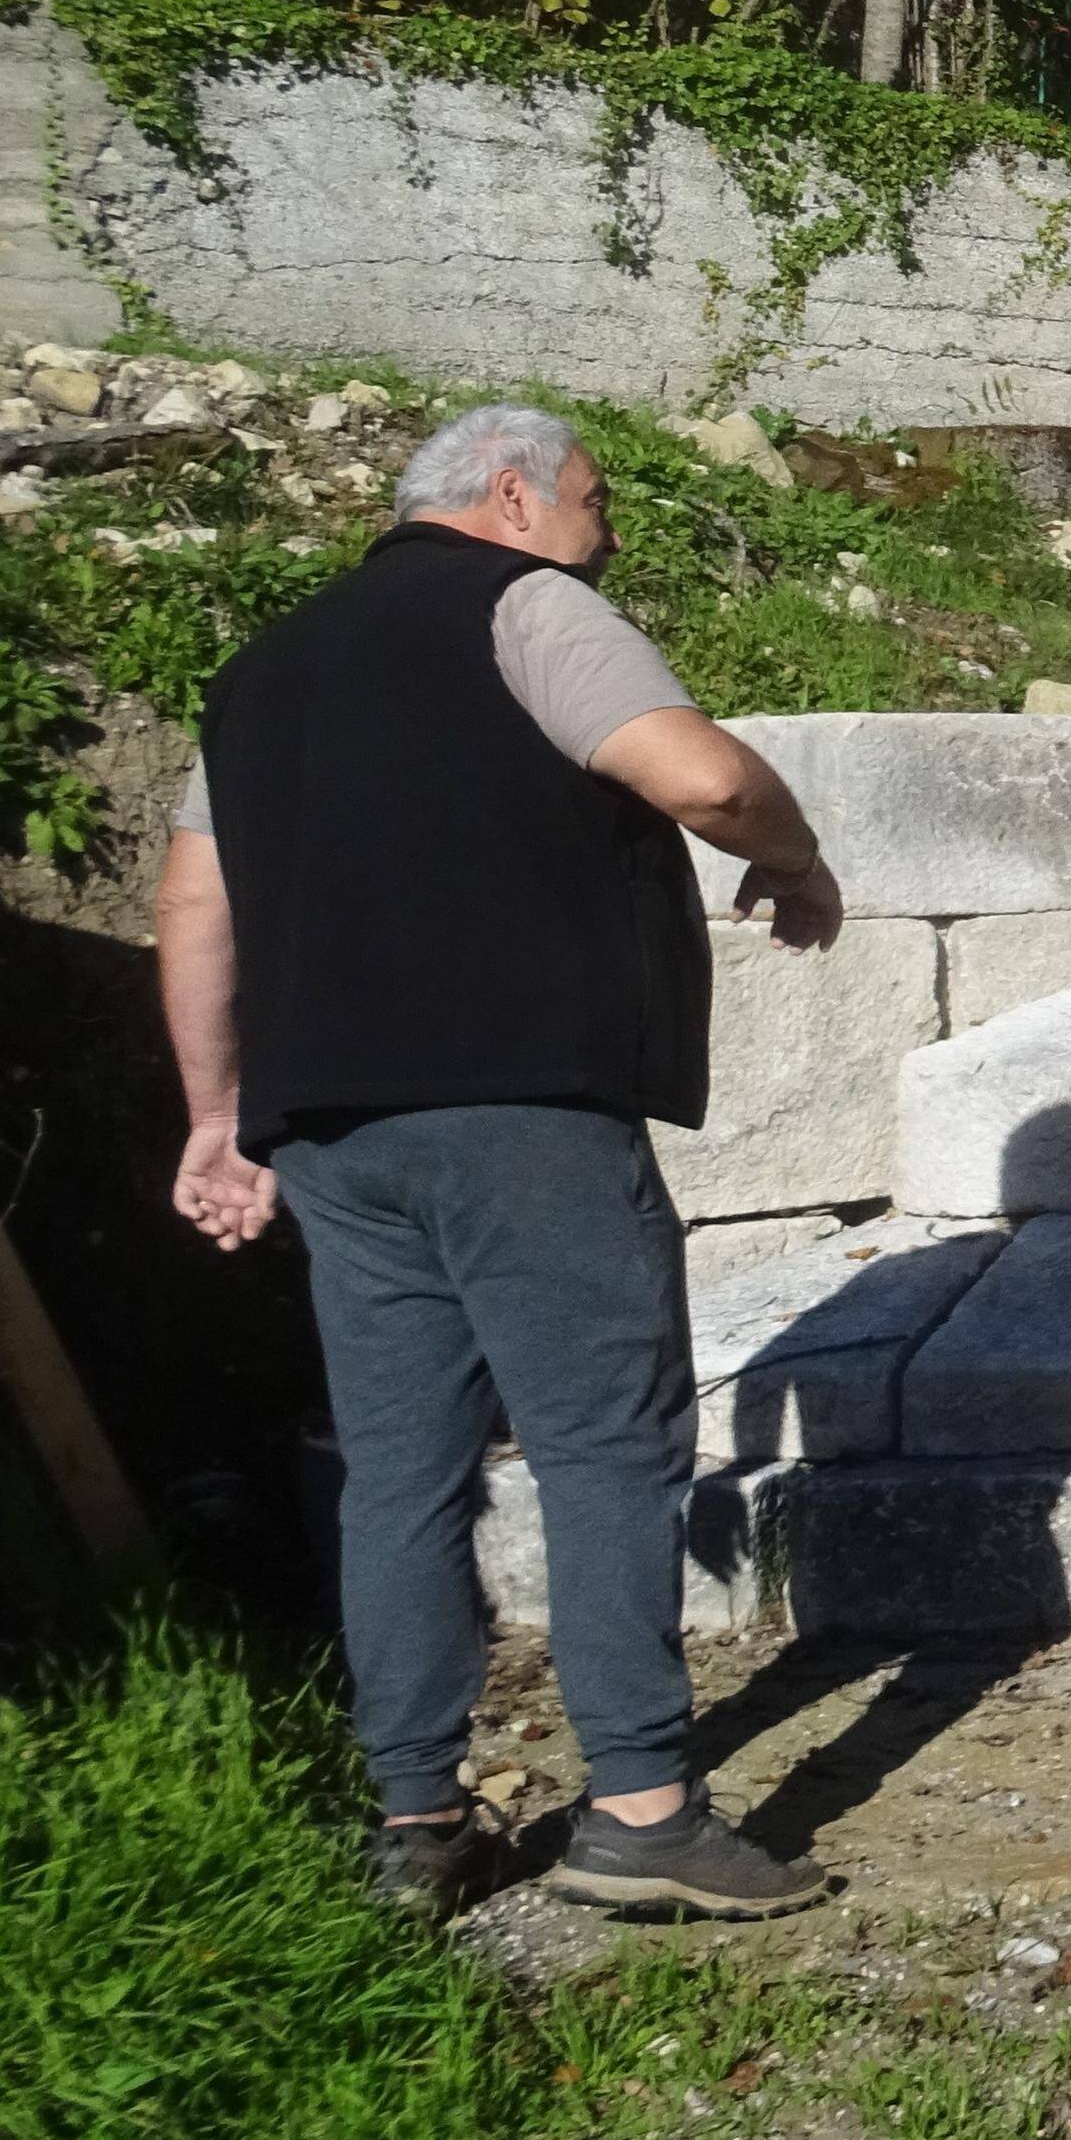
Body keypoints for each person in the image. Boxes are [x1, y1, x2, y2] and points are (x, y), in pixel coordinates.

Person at [158, 403, 847, 1920]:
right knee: (606, 1450)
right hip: (520, 1112)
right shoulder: (527, 605)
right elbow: (703, 778)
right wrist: (794, 864)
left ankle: (416, 1822)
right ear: (515, 496)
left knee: (401, 1471)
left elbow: (197, 911)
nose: (608, 533)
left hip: (334, 1132)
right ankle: (645, 1816)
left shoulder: (259, 676)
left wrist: (216, 1118)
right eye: (596, 503)